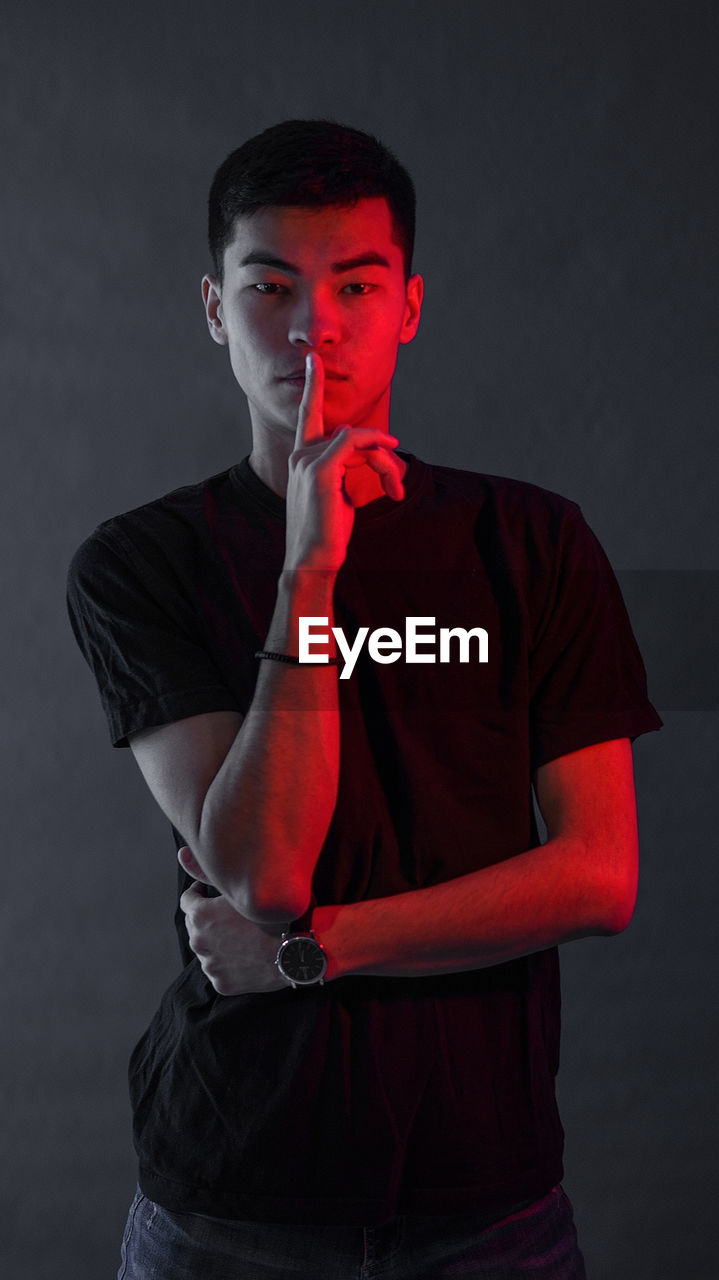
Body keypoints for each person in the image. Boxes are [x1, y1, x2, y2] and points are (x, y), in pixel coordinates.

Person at [67, 119, 662, 1279]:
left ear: (409, 306)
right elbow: (268, 869)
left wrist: (313, 952)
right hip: (231, 1197)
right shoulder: (139, 564)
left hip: (486, 1200)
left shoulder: (532, 542)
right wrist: (310, 566)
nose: (312, 326)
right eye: (269, 285)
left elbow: (597, 872)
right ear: (212, 309)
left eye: (355, 284)